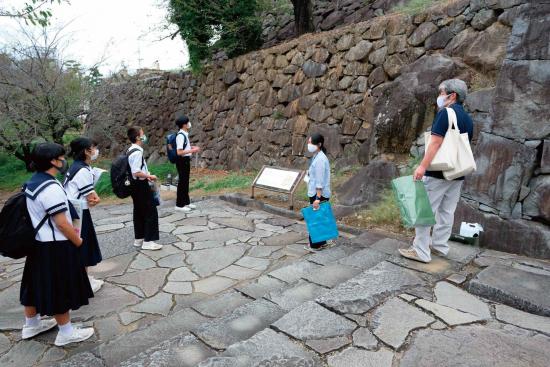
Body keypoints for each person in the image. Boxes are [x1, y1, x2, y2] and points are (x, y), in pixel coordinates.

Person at [21, 142, 94, 346]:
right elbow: (61, 223)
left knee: (34, 284)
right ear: (53, 161)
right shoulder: (51, 187)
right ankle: (66, 332)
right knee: (59, 286)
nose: (64, 161)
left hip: (38, 244)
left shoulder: (31, 183)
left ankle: (32, 324)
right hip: (55, 245)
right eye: (61, 157)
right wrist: (78, 241)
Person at [399, 79, 474, 263]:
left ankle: (421, 251)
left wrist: (422, 166)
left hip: (438, 171)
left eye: (442, 92)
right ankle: (440, 246)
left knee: (425, 210)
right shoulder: (467, 118)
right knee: (447, 212)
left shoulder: (445, 113)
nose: (439, 96)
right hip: (457, 172)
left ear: (452, 95)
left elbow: (435, 143)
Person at [64, 137, 104, 293]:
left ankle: (84, 278)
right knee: (83, 246)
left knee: (81, 246)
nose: (95, 151)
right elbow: (92, 198)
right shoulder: (82, 170)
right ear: (87, 151)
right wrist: (96, 198)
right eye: (93, 147)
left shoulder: (76, 166)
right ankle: (84, 283)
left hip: (74, 211)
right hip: (78, 214)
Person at [127, 126, 162, 251]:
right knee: (150, 211)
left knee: (139, 211)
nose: (144, 135)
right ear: (138, 137)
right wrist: (149, 176)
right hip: (141, 185)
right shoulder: (137, 152)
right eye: (142, 134)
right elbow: (136, 172)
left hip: (134, 186)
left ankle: (139, 238)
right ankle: (148, 241)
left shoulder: (130, 150)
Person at [304, 133, 331, 252]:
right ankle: (322, 242)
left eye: (311, 142)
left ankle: (315, 245)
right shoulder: (317, 155)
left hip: (317, 193)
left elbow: (320, 181)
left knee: (315, 219)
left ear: (319, 144)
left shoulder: (320, 159)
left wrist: (317, 199)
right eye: (308, 142)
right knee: (320, 217)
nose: (309, 145)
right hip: (316, 192)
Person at [174, 115, 200, 212]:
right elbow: (179, 152)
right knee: (182, 183)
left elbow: (184, 147)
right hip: (182, 161)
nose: (189, 124)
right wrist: (192, 151)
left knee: (185, 182)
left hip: (185, 161)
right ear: (184, 125)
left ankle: (186, 202)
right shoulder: (181, 136)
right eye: (188, 122)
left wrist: (191, 148)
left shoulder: (184, 134)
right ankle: (179, 205)